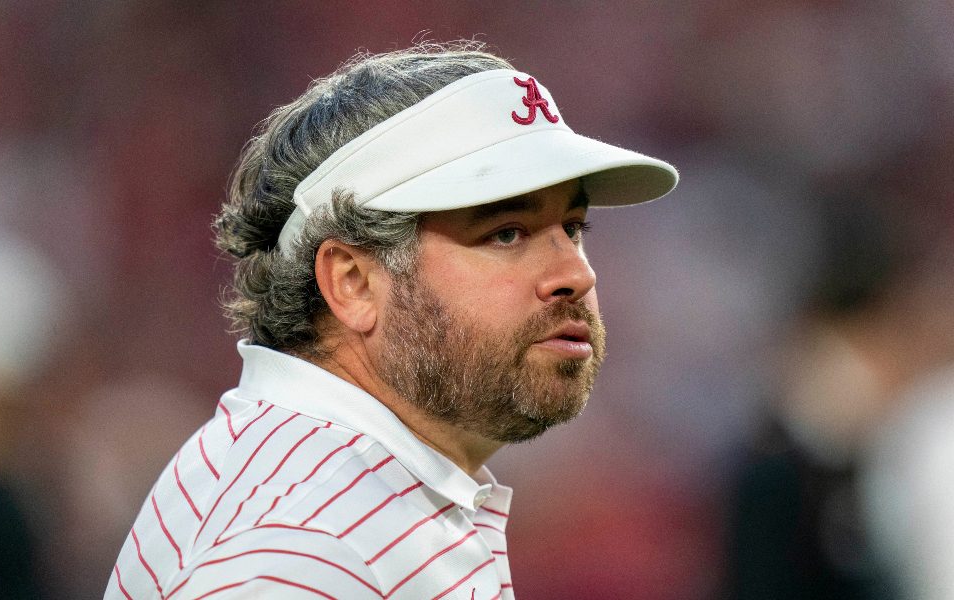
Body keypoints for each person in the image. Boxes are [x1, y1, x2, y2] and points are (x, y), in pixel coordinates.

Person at [106, 41, 677, 599]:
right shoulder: (304, 550)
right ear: (352, 283)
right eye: (506, 233)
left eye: (572, 228)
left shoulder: (358, 491)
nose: (576, 274)